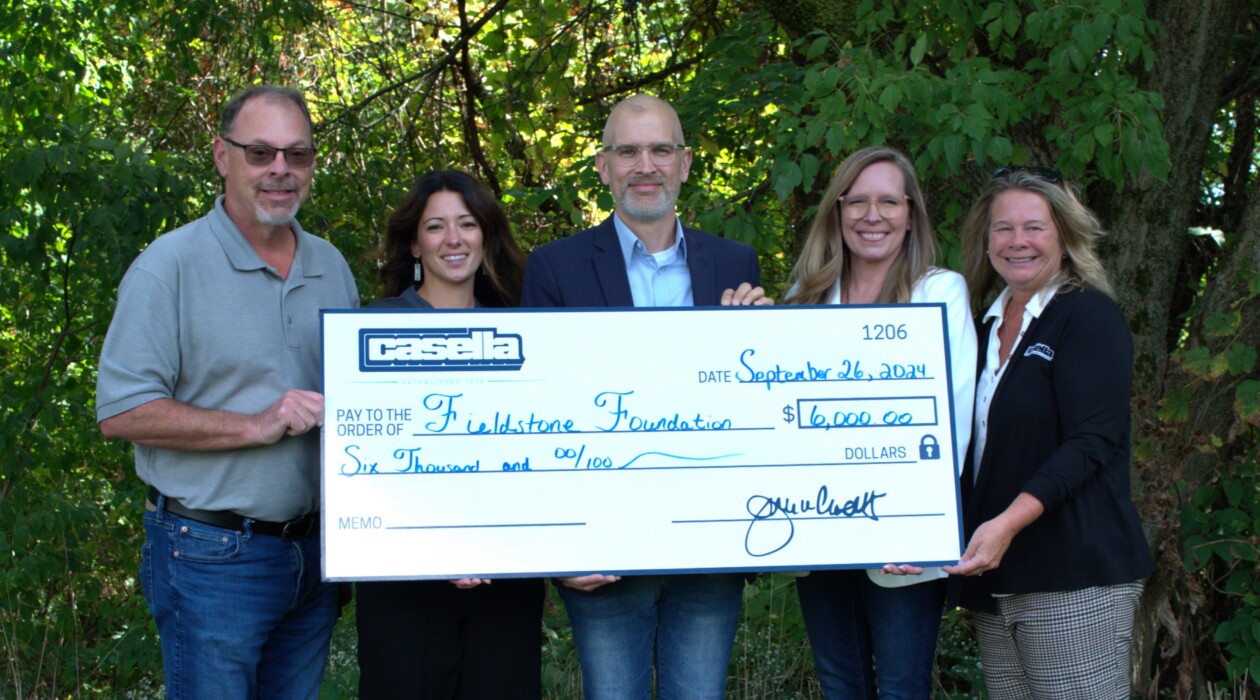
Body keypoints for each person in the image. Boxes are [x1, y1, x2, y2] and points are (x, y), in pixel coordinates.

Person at [95, 86, 359, 699]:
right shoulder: (171, 266)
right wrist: (255, 425)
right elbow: (122, 411)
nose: (279, 171)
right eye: (260, 152)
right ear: (221, 156)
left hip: (317, 553)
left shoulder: (331, 266)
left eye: (297, 155)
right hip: (212, 555)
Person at [520, 94, 769, 699]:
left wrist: (764, 343)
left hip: (710, 542)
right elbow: (534, 417)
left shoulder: (734, 264)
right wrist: (558, 550)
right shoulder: (556, 267)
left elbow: (756, 407)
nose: (645, 164)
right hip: (602, 550)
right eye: (628, 151)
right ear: (603, 166)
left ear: (685, 163)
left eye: (661, 149)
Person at [943, 166, 1155, 699]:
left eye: (1034, 227)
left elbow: (1091, 442)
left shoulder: (1087, 316)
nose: (1018, 241)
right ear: (985, 239)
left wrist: (1006, 524)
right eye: (1003, 228)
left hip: (1074, 575)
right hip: (1000, 578)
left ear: (1064, 236)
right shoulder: (981, 325)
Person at [783, 146, 978, 698]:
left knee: (900, 687)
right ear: (837, 210)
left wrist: (915, 522)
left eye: (889, 201)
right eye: (859, 201)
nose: (873, 215)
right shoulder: (805, 298)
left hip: (904, 536)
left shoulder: (939, 291)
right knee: (841, 684)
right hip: (818, 528)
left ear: (911, 212)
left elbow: (954, 414)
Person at [354, 169, 542, 699]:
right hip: (403, 582)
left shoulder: (527, 330)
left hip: (504, 576)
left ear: (487, 234)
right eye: (436, 227)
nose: (454, 239)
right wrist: (438, 545)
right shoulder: (372, 329)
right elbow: (366, 463)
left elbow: (540, 455)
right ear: (414, 242)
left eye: (467, 223)